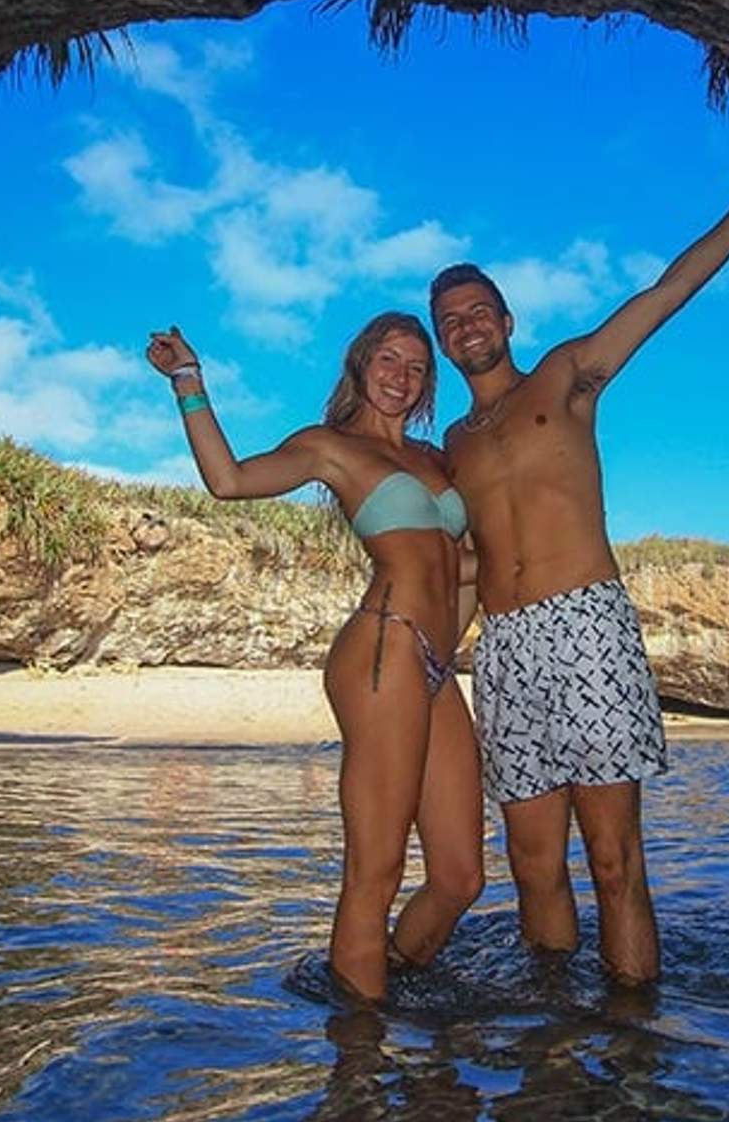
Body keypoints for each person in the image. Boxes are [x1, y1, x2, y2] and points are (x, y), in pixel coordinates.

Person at [430, 135, 729, 984]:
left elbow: (669, 291)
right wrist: (431, 656)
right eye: (450, 321)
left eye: (478, 312)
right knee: (532, 867)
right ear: (445, 340)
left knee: (614, 861)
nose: (466, 327)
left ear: (506, 321)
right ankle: (552, 1045)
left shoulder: (568, 375)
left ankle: (629, 1051)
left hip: (586, 626)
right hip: (502, 651)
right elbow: (463, 567)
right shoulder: (452, 445)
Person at [144, 312, 484, 1002]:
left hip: (439, 667)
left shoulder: (436, 459)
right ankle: (357, 1061)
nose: (402, 376)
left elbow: (471, 565)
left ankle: (385, 979)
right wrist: (188, 381)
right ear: (360, 365)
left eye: (418, 367)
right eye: (389, 359)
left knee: (459, 877)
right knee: (376, 867)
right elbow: (229, 480)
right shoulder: (331, 447)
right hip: (383, 648)